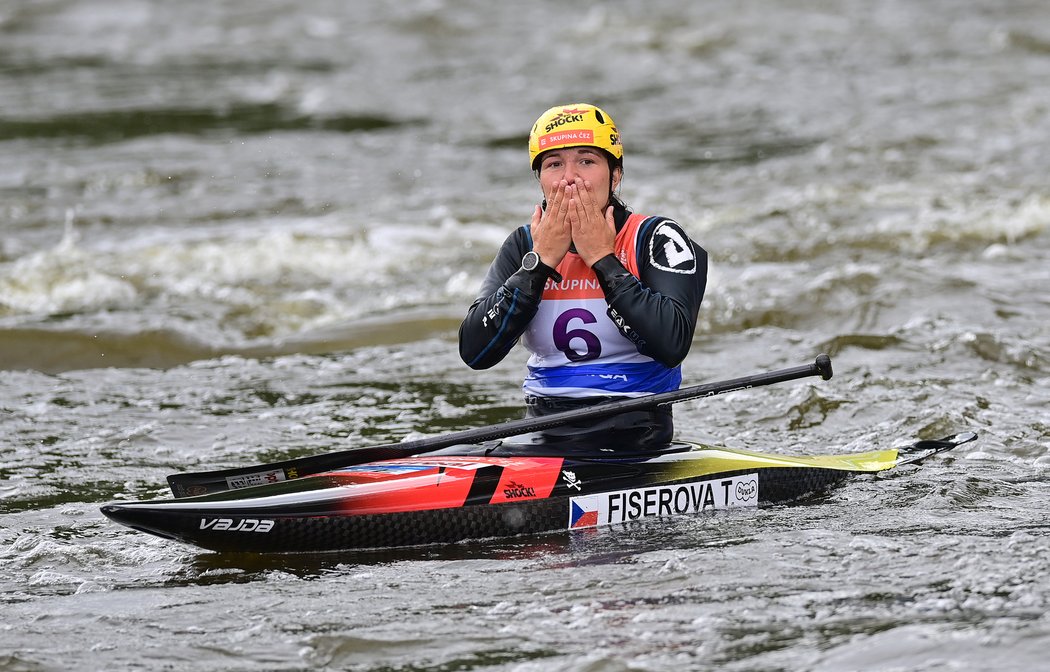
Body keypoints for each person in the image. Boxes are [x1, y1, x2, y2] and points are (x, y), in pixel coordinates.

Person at [458, 103, 707, 454]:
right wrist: (538, 266)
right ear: (540, 179)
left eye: (586, 161)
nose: (569, 178)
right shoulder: (523, 246)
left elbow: (672, 343)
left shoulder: (657, 237)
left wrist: (604, 261)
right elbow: (475, 351)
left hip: (635, 432)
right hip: (544, 432)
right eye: (554, 164)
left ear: (615, 175)